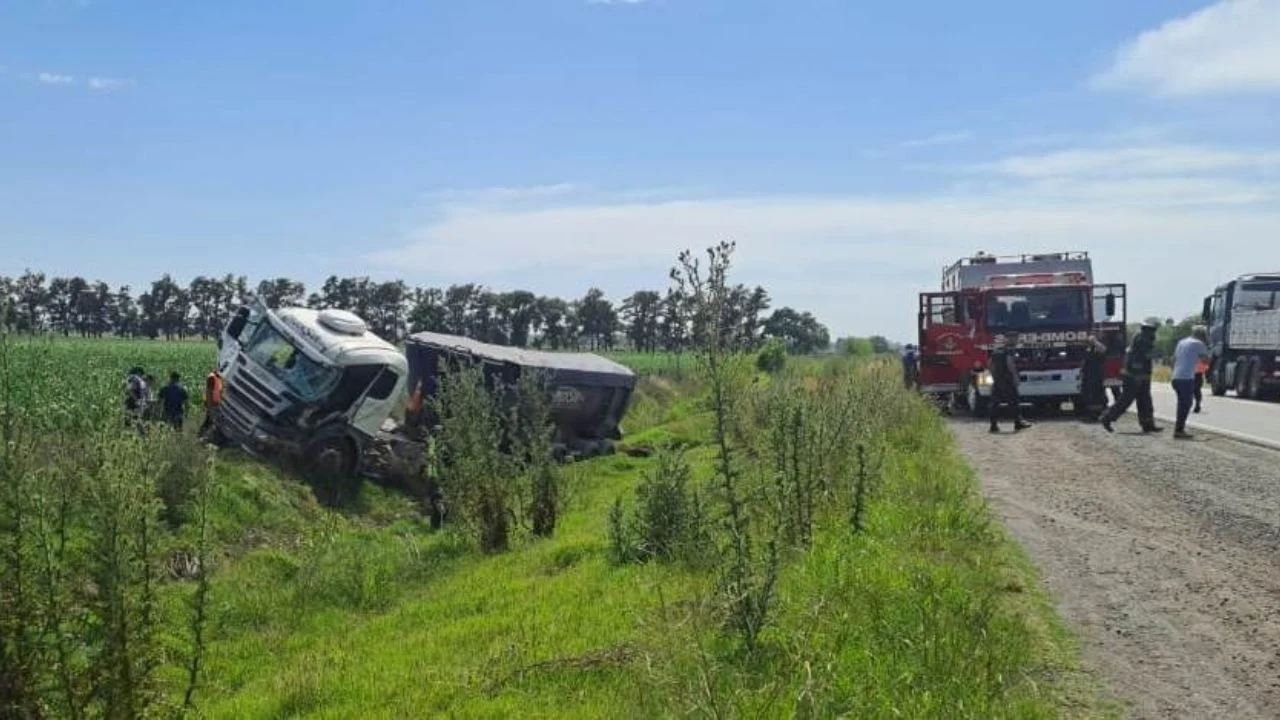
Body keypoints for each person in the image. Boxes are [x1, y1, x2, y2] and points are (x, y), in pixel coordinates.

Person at [1100, 323, 1161, 433]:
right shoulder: (1142, 341)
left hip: (1141, 376)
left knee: (1145, 401)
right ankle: (1107, 418)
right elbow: (1137, 361)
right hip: (1134, 376)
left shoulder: (1140, 340)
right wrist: (1137, 376)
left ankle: (1148, 424)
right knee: (1125, 400)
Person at [1171, 327, 1210, 439]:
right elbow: (1206, 360)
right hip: (1186, 377)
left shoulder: (1182, 342)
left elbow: (1174, 358)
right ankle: (1179, 430)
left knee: (1181, 404)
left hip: (1176, 377)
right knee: (1186, 404)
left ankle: (1179, 429)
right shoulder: (1199, 344)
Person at [988, 333, 1032, 433]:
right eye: (1015, 339)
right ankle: (1018, 423)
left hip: (998, 380)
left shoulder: (996, 351)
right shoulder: (1008, 351)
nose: (1016, 341)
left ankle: (993, 425)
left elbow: (990, 364)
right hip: (1007, 379)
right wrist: (1015, 377)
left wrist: (994, 376)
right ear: (1009, 339)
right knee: (1014, 401)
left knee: (995, 403)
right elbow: (1010, 364)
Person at [1077, 333, 1109, 422]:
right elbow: (1084, 364)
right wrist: (1080, 374)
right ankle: (1091, 415)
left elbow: (1104, 350)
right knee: (1088, 397)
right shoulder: (1087, 351)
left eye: (1090, 342)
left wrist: (1095, 341)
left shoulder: (1097, 351)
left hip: (1096, 377)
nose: (1089, 343)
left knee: (1096, 397)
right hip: (1087, 378)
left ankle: (1096, 415)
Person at [200, 368, 223, 438]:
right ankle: (203, 436)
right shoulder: (212, 377)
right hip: (211, 404)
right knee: (210, 420)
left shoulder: (218, 378)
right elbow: (209, 392)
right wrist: (209, 406)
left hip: (214, 404)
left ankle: (203, 435)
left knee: (209, 420)